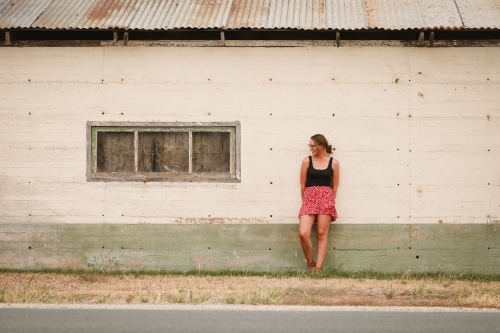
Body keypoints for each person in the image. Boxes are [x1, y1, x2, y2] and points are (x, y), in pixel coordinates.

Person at [298, 134, 339, 271]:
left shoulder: (334, 163)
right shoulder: (306, 161)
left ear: (321, 145)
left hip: (326, 198)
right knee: (303, 233)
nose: (311, 148)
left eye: (313, 146)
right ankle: (311, 264)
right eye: (310, 146)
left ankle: (318, 268)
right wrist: (306, 201)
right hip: (309, 198)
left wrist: (331, 201)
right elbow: (303, 185)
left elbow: (335, 186)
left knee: (322, 233)